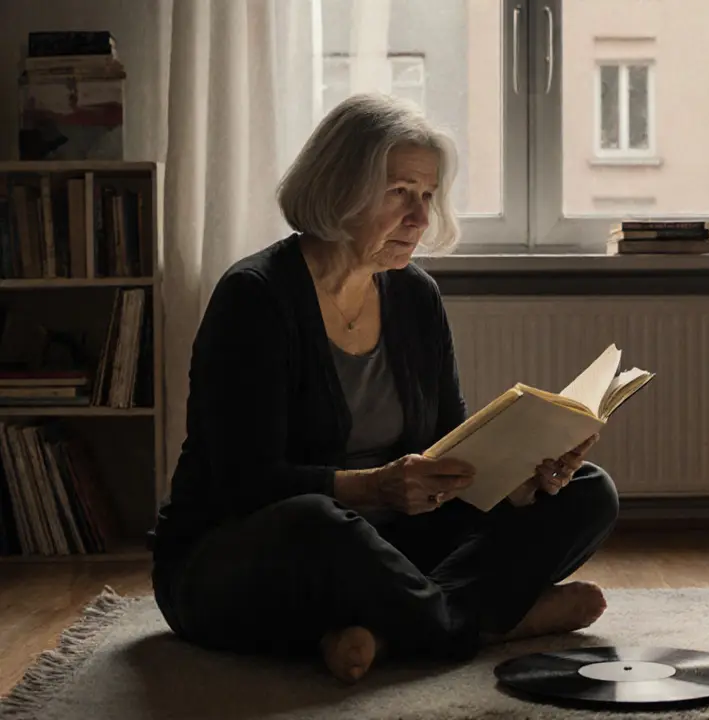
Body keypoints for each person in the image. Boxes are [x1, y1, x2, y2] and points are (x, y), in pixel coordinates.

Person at [148, 93, 619, 683]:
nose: (421, 218)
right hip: (245, 555)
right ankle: (484, 623)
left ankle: (385, 628)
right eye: (399, 192)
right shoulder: (255, 297)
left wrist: (522, 481)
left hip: (387, 545)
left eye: (427, 196)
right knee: (318, 521)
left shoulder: (415, 296)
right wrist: (373, 488)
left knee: (588, 493)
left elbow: (451, 446)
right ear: (338, 187)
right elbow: (245, 481)